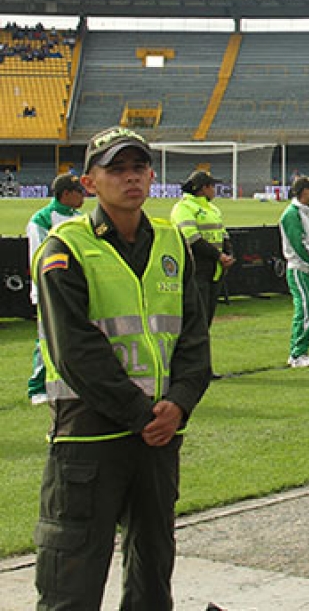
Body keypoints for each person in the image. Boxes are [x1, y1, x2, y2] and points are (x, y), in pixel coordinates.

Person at [32, 126, 212, 609]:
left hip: (158, 433)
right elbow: (76, 352)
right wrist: (145, 414)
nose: (130, 178)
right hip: (91, 436)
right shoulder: (64, 246)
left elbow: (193, 336)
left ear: (152, 175)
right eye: (116, 169)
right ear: (89, 183)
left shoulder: (173, 243)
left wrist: (180, 402)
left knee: (153, 574)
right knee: (72, 579)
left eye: (138, 167)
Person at [25, 172, 85, 405]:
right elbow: (38, 255)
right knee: (46, 338)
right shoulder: (42, 219)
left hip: (74, 289)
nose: (83, 196)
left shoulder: (79, 217)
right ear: (66, 194)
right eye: (79, 192)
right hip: (48, 288)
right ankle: (37, 387)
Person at [170, 169, 233, 325]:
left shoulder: (213, 209)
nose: (215, 191)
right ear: (204, 188)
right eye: (212, 186)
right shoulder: (183, 208)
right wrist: (219, 256)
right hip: (196, 271)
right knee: (196, 322)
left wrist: (228, 255)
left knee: (206, 322)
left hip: (215, 272)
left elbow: (223, 235)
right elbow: (191, 238)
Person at [279, 175, 309, 368]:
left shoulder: (308, 212)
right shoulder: (292, 214)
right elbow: (298, 244)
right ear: (304, 191)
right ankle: (297, 354)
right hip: (301, 269)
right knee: (304, 311)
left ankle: (302, 351)